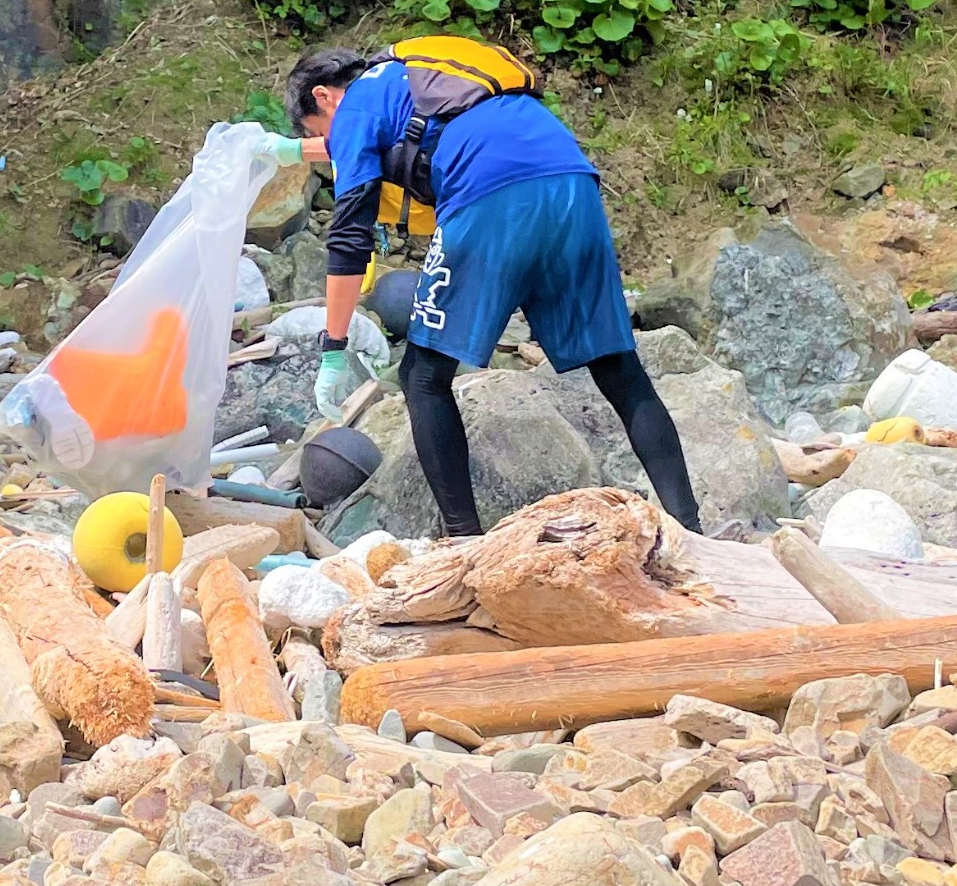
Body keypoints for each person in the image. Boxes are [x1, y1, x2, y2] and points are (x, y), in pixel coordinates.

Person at [277, 39, 702, 539]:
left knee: (422, 377)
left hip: (490, 190)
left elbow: (349, 237)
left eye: (314, 132)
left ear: (324, 98)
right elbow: (404, 140)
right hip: (568, 177)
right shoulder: (408, 77)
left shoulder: (354, 107)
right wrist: (282, 150)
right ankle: (690, 531)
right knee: (617, 368)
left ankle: (463, 543)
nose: (327, 143)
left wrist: (334, 346)